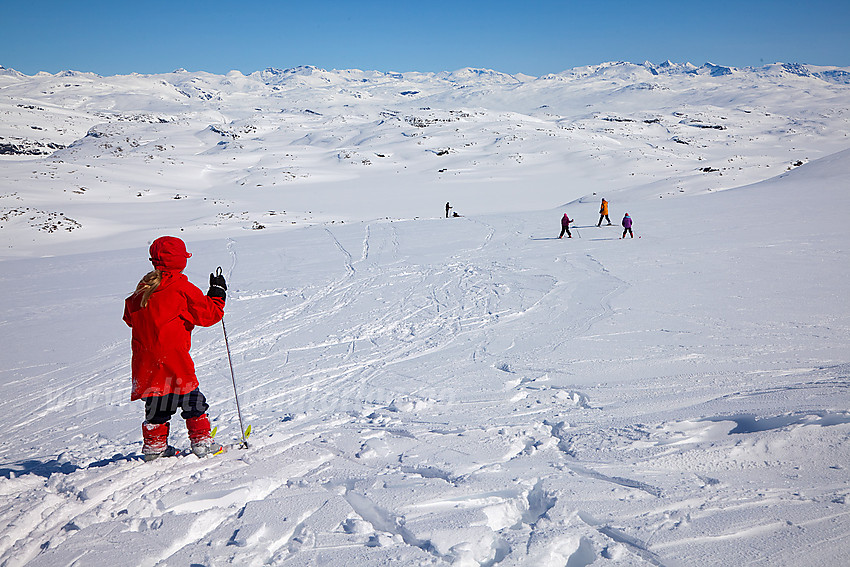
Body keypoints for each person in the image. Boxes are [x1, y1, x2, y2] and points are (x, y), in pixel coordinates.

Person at [123, 236, 228, 461]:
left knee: (157, 403)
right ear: (181, 260)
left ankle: (155, 448)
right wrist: (217, 295)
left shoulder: (141, 290)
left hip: (146, 363)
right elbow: (210, 315)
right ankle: (201, 442)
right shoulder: (181, 288)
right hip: (174, 360)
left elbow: (129, 318)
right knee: (192, 400)